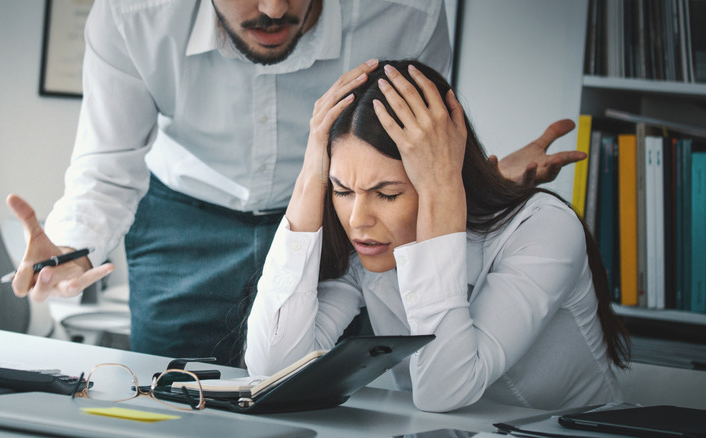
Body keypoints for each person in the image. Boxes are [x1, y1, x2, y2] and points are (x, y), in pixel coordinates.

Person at [7, 0, 585, 366]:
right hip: (186, 217)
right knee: (177, 399)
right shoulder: (131, 15)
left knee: (350, 395)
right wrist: (71, 246)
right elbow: (107, 165)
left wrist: (485, 185)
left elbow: (418, 147)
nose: (274, 8)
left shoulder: (405, 12)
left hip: (341, 224)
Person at [244, 60, 630, 412]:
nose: (358, 219)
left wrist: (444, 193)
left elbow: (445, 391)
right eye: (342, 190)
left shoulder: (543, 228)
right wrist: (311, 175)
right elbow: (275, 372)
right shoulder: (365, 244)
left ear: (442, 175)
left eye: (387, 194)